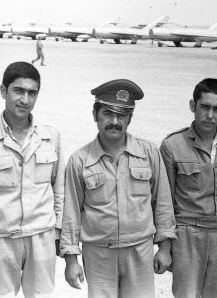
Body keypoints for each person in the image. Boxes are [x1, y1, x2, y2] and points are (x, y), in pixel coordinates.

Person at [60, 79, 176, 298]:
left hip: (140, 251)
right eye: (107, 113)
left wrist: (165, 247)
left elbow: (162, 202)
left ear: (130, 118)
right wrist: (71, 260)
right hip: (99, 254)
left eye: (122, 115)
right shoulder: (79, 161)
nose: (114, 121)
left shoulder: (148, 153)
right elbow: (71, 214)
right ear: (95, 115)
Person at [0, 62, 64, 298]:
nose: (25, 99)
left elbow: (59, 190)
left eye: (32, 93)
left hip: (41, 236)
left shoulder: (51, 136)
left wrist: (57, 233)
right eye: (18, 91)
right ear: (3, 91)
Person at [160, 78, 217, 298]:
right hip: (188, 234)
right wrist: (165, 245)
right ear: (193, 106)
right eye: (205, 107)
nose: (210, 115)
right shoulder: (172, 145)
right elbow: (164, 201)